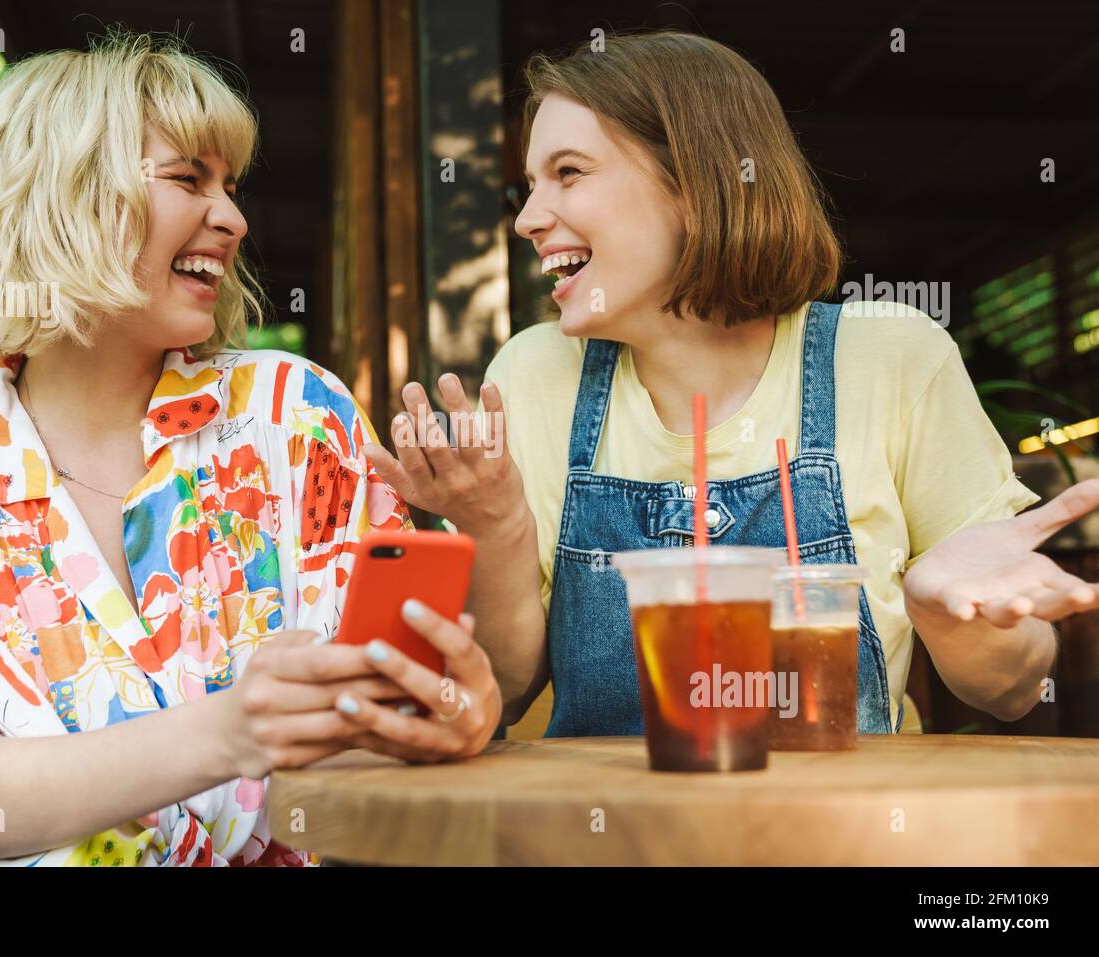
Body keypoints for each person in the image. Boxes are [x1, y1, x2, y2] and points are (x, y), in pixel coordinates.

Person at [0, 32, 501, 867]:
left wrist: (445, 712)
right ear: (62, 200)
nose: (234, 218)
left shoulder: (294, 415)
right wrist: (231, 728)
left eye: (231, 187)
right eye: (187, 179)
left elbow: (375, 709)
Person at [365, 30, 1097, 741]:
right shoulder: (532, 375)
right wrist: (498, 528)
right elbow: (503, 686)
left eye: (569, 172)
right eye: (530, 184)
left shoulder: (890, 356)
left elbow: (1012, 688)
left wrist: (948, 617)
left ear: (695, 182)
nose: (527, 218)